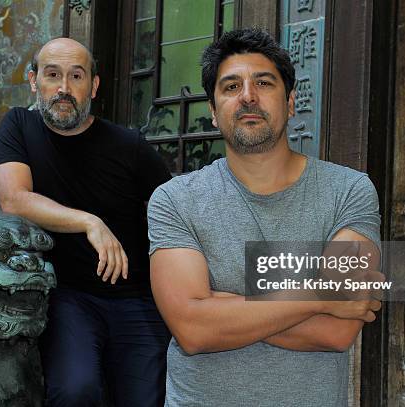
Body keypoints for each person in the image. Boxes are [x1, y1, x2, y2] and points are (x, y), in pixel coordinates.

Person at [147, 28, 382, 406]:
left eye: (263, 82)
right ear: (212, 112)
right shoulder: (175, 200)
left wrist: (218, 305)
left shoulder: (349, 191)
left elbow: (337, 329)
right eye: (230, 87)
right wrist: (317, 296)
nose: (248, 96)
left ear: (290, 103)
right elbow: (192, 329)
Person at [0, 37, 171, 407]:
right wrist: (90, 222)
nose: (64, 88)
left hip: (135, 298)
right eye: (53, 75)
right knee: (75, 390)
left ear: (95, 85)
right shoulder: (19, 127)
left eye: (76, 76)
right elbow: (13, 199)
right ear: (34, 80)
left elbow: (177, 208)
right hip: (67, 297)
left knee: (147, 398)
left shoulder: (129, 146)